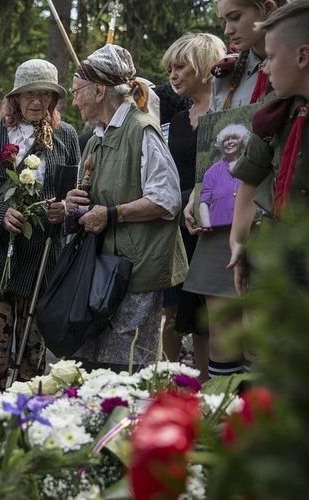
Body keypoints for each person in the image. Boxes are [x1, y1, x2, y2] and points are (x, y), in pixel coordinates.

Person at [0, 59, 81, 397]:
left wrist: (64, 210)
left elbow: (77, 196)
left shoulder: (66, 136)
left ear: (54, 99)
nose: (37, 101)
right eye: (29, 94)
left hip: (41, 262)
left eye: (45, 94)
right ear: (15, 98)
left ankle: (27, 430)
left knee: (33, 358)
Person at [66, 44, 187, 372]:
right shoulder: (95, 137)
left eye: (77, 91)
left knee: (130, 363)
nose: (74, 99)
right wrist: (71, 205)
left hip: (140, 265)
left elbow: (166, 199)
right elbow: (91, 196)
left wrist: (112, 214)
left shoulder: (141, 129)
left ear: (99, 90)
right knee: (97, 362)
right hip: (106, 266)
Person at [183, 0, 285, 379]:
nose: (226, 31)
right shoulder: (227, 73)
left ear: (267, 8)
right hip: (224, 218)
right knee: (222, 337)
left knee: (264, 341)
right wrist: (197, 194)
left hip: (273, 213)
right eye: (223, 20)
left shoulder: (294, 61)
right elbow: (213, 139)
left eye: (235, 17)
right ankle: (224, 428)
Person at [229, 0, 309, 293]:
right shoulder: (274, 111)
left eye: (272, 57)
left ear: (302, 56)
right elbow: (251, 174)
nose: (264, 66)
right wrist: (238, 242)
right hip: (280, 252)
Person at [160, 33, 226, 379]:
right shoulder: (176, 122)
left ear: (203, 66)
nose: (173, 74)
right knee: (177, 314)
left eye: (180, 66)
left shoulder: (230, 111)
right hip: (179, 231)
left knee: (212, 319)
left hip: (219, 229)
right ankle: (180, 389)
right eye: (170, 68)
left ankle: (215, 393)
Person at [200, 125, 250, 228]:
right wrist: (207, 226)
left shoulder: (251, 165)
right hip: (218, 230)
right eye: (226, 140)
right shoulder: (212, 172)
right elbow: (204, 202)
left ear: (241, 142)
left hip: (247, 228)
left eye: (234, 138)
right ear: (221, 144)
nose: (229, 142)